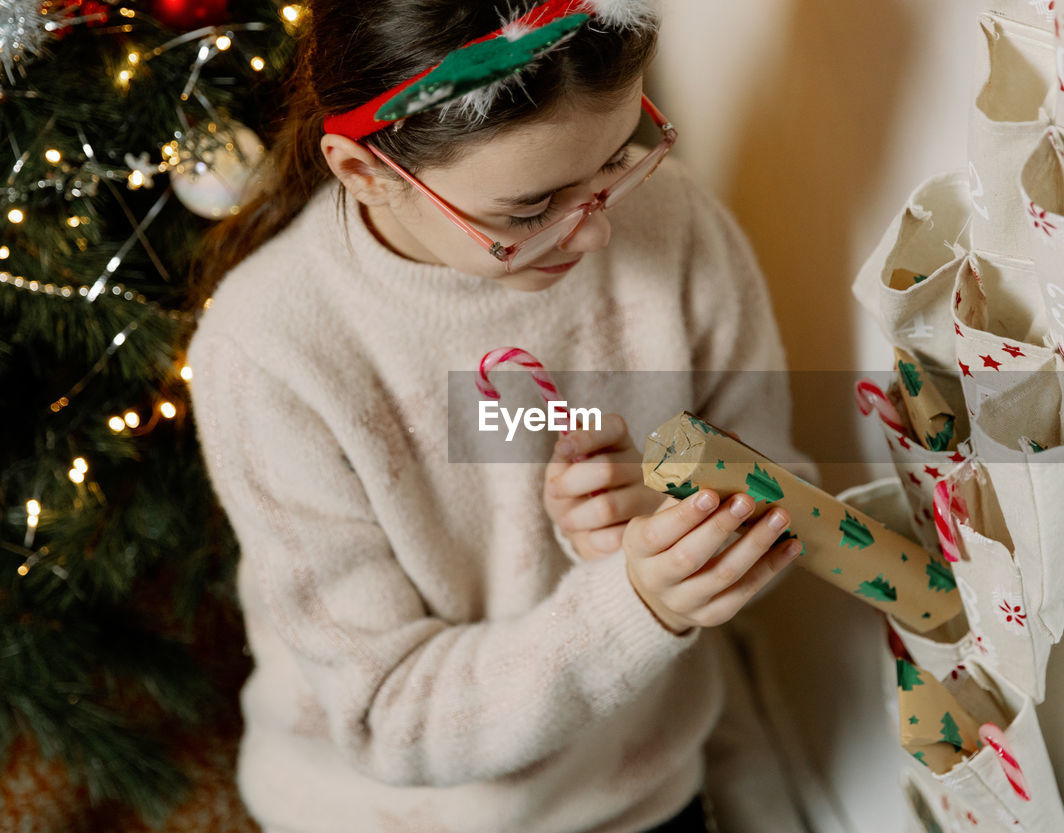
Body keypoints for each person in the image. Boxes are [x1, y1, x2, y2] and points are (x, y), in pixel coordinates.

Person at [187, 1, 813, 831]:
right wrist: (635, 604)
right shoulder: (268, 349)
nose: (595, 235)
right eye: (530, 211)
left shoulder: (674, 223)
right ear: (364, 171)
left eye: (619, 157)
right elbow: (388, 713)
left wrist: (686, 516)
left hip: (639, 791)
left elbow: (787, 495)